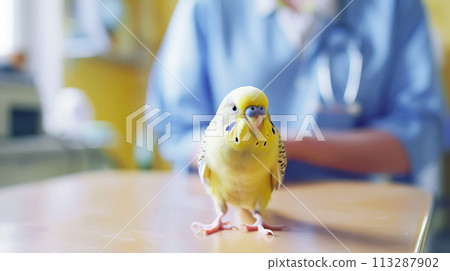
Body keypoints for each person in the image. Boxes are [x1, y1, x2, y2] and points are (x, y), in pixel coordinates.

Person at [147, 0, 446, 192]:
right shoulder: (206, 7)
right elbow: (172, 128)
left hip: (352, 218)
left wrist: (287, 146)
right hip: (223, 213)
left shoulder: (396, 8)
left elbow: (422, 134)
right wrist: (243, 153)